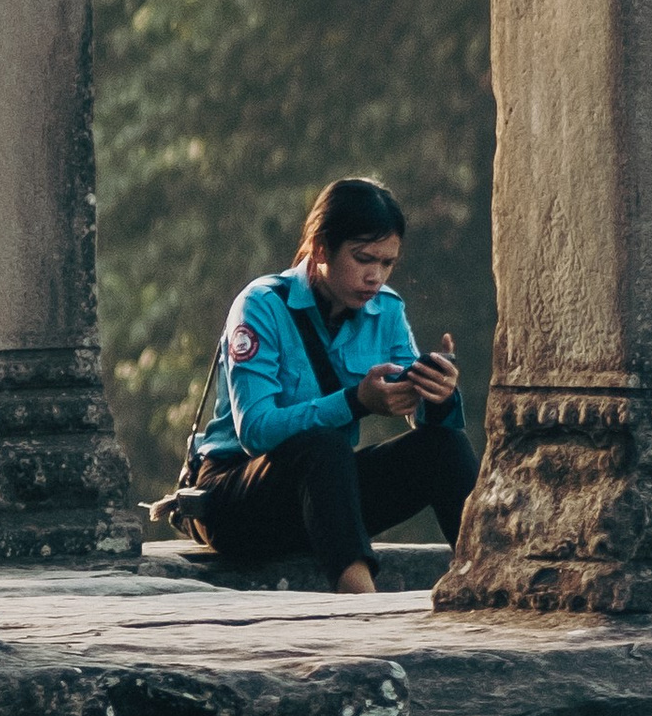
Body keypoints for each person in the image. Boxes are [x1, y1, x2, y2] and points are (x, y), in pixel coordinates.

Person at [182, 176, 478, 593]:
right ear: (321, 250)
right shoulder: (261, 305)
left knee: (444, 447)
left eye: (387, 264)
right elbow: (256, 431)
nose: (375, 276)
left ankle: (486, 573)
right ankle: (362, 604)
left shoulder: (387, 310)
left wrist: (437, 393)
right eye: (363, 259)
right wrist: (355, 401)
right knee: (324, 445)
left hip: (322, 496)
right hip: (237, 498)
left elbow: (416, 412)